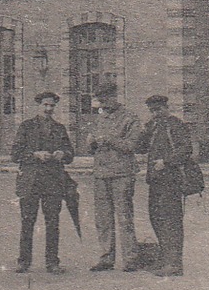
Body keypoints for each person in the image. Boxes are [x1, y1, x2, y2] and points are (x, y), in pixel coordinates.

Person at [11, 91, 75, 274]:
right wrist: (34, 155)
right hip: (30, 181)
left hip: (53, 181)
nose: (48, 109)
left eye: (51, 106)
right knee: (27, 221)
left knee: (52, 222)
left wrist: (63, 154)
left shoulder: (60, 128)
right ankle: (23, 261)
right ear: (38, 106)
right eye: (45, 105)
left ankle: (52, 262)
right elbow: (15, 154)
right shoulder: (26, 127)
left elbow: (70, 154)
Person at [137, 94, 197, 277]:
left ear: (166, 108)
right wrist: (145, 130)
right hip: (155, 181)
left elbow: (186, 149)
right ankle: (165, 259)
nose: (155, 113)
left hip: (171, 181)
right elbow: (140, 147)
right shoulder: (153, 127)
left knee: (171, 222)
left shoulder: (175, 125)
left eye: (158, 109)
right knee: (157, 219)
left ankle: (174, 263)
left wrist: (167, 161)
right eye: (152, 111)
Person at [85, 85, 142, 272]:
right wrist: (91, 143)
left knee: (124, 217)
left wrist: (109, 139)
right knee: (103, 219)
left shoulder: (130, 118)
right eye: (99, 100)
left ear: (114, 97)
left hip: (122, 174)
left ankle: (131, 259)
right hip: (101, 174)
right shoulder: (100, 118)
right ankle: (106, 258)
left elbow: (133, 145)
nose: (102, 104)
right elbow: (93, 147)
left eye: (104, 99)